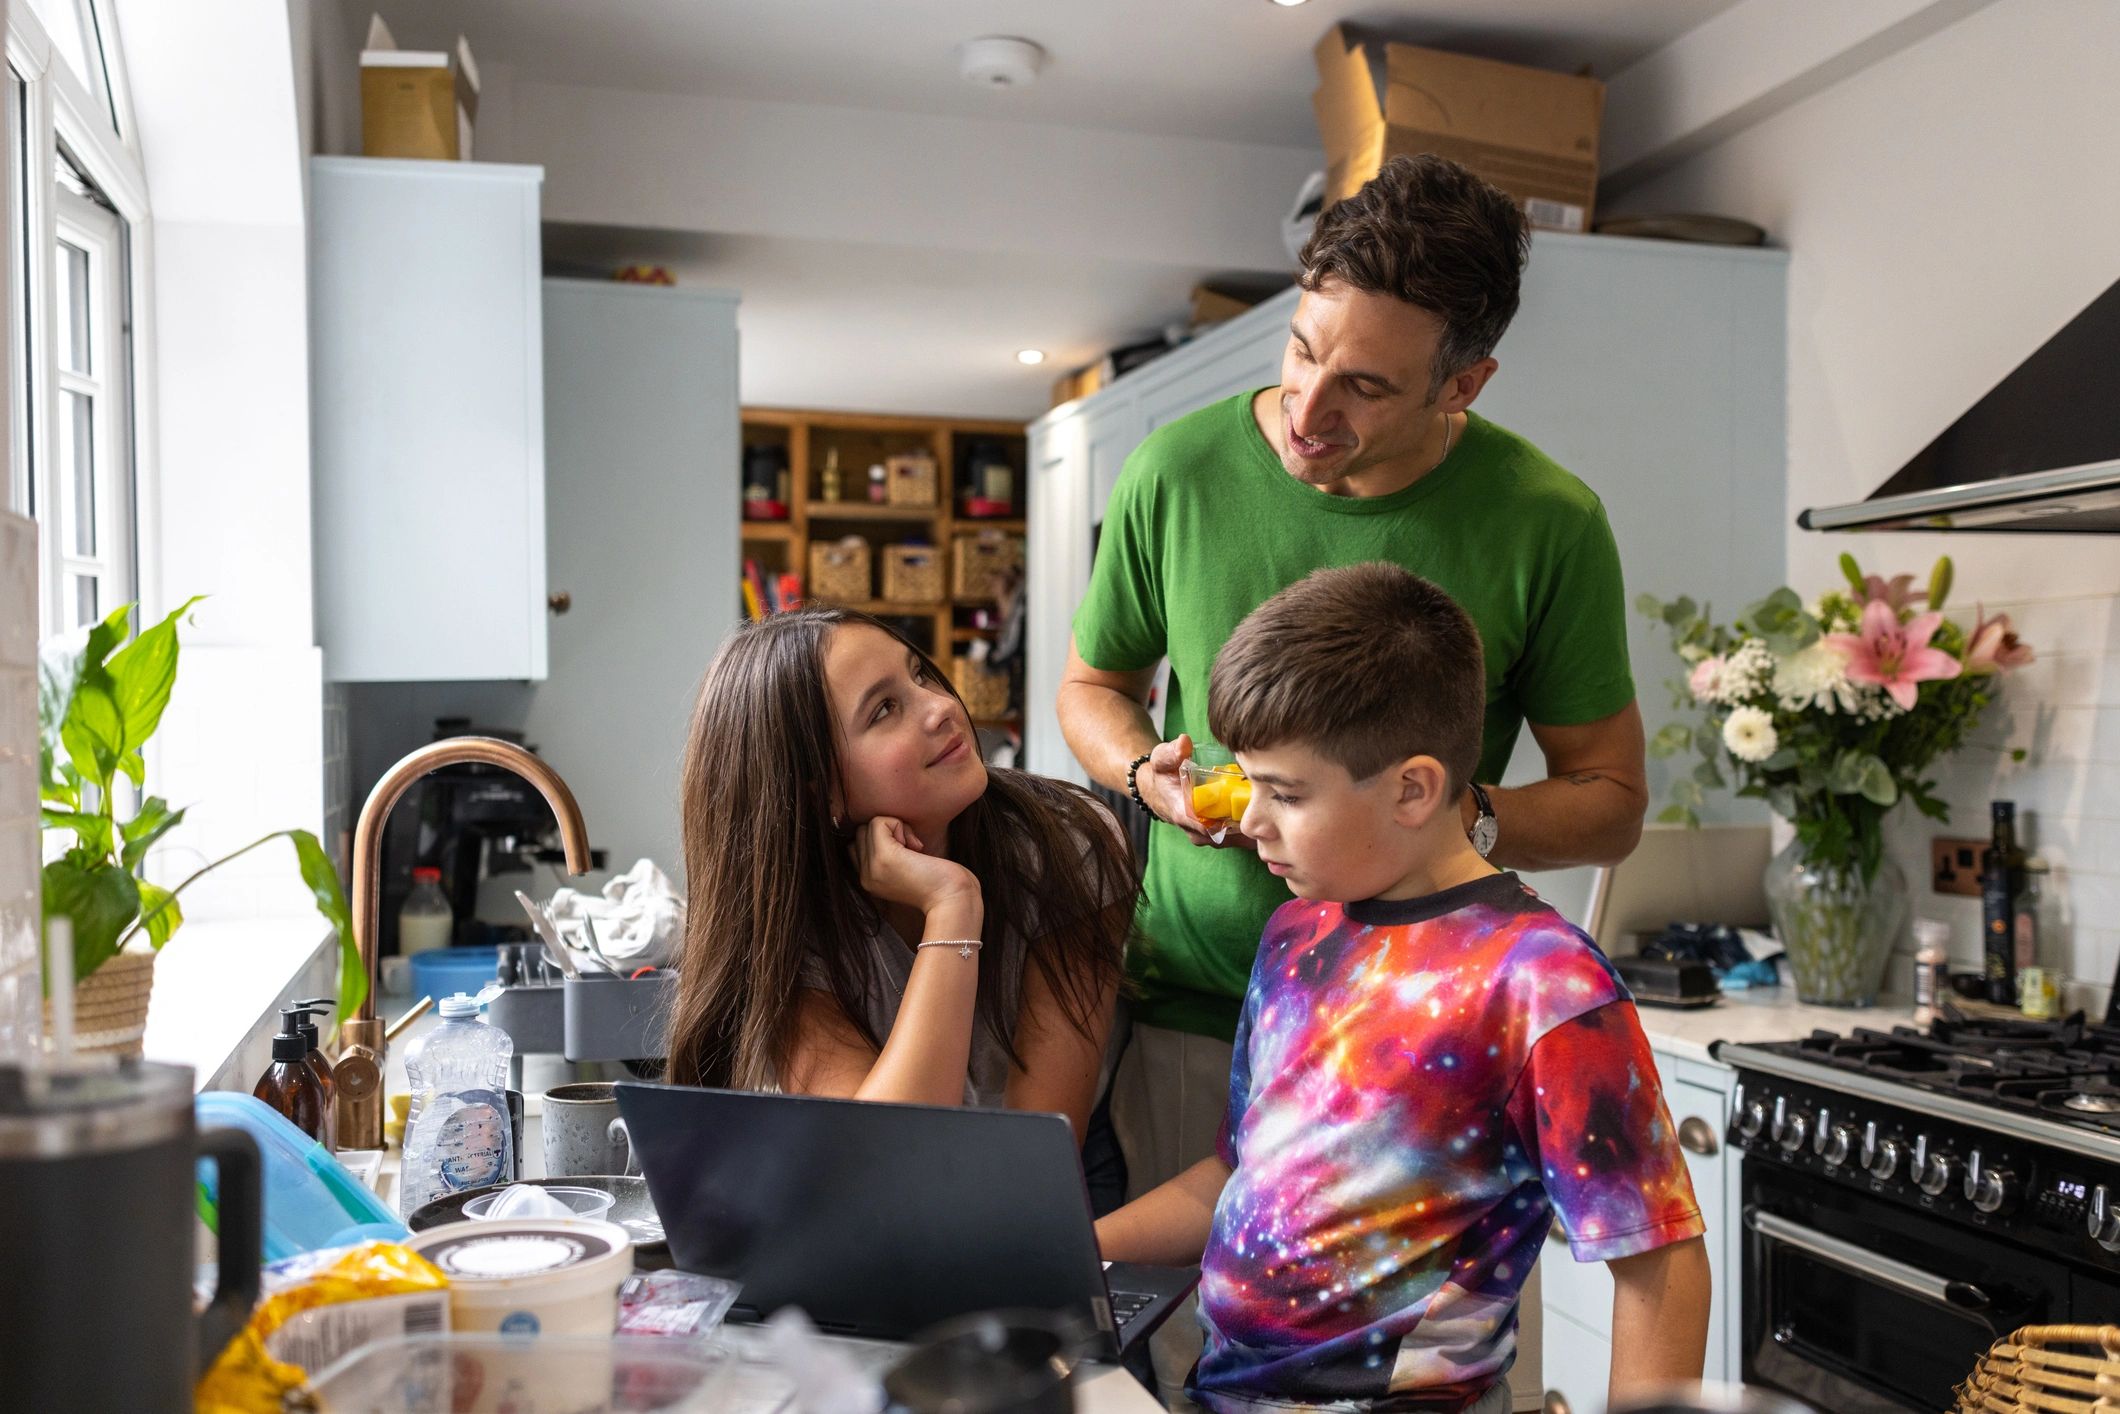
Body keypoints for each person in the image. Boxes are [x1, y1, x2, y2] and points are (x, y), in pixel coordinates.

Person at [1058, 154, 1651, 1243]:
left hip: (1422, 1033)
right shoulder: (1172, 473)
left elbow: (1609, 799)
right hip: (1196, 1008)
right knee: (1196, 1358)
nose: (1306, 413)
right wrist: (1144, 773)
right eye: (1299, 351)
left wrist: (1439, 819)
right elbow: (1093, 686)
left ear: (1461, 384)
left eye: (1365, 386)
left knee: (1407, 1359)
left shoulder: (1546, 523)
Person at [1094, 564, 1709, 1413]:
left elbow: (1660, 1261)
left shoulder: (1543, 984)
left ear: (1413, 788)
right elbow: (1234, 1174)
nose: (1250, 820)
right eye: (1246, 781)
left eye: (1285, 793)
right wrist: (1071, 1254)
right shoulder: (1297, 933)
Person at [663, 607, 1132, 1154]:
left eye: (920, 675)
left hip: (1067, 1181)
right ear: (819, 791)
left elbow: (1033, 1159)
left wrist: (950, 905)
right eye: (885, 709)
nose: (941, 708)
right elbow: (883, 1158)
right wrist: (952, 904)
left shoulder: (1066, 845)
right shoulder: (792, 919)